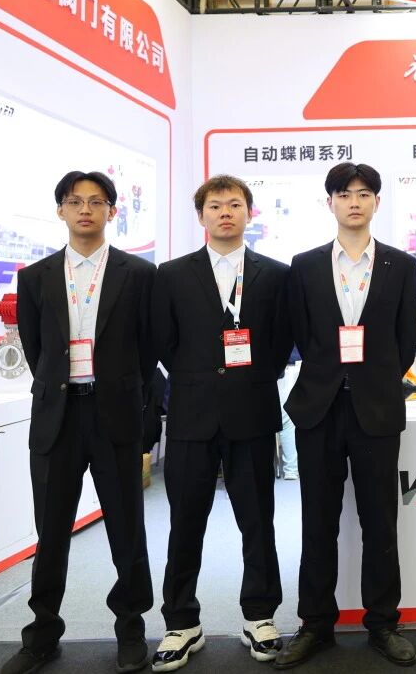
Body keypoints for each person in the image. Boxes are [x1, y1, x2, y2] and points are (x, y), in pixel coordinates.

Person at [3, 170, 156, 674]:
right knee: (51, 531)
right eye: (75, 202)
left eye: (95, 201)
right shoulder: (36, 277)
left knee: (127, 529)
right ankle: (42, 633)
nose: (85, 210)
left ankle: (130, 628)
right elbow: (35, 348)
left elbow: (148, 348)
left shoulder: (139, 274)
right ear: (61, 211)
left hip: (115, 414)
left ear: (112, 210)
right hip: (58, 417)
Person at [276, 163, 416, 669]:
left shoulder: (401, 265)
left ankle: (383, 624)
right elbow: (300, 333)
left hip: (376, 408)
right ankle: (315, 624)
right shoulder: (305, 265)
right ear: (330, 203)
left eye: (363, 194)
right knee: (317, 521)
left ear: (377, 202)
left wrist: (372, 377)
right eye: (344, 194)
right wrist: (332, 372)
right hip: (318, 407)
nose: (354, 202)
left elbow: (405, 340)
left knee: (380, 521)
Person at [151, 175, 294, 671]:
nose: (225, 212)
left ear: (249, 213)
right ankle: (181, 623)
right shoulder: (171, 274)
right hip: (191, 414)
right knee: (184, 522)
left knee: (257, 520)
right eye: (215, 206)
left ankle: (260, 616)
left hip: (251, 410)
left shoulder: (275, 275)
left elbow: (282, 341)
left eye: (235, 204)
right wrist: (198, 377)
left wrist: (251, 376)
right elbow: (164, 341)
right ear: (202, 216)